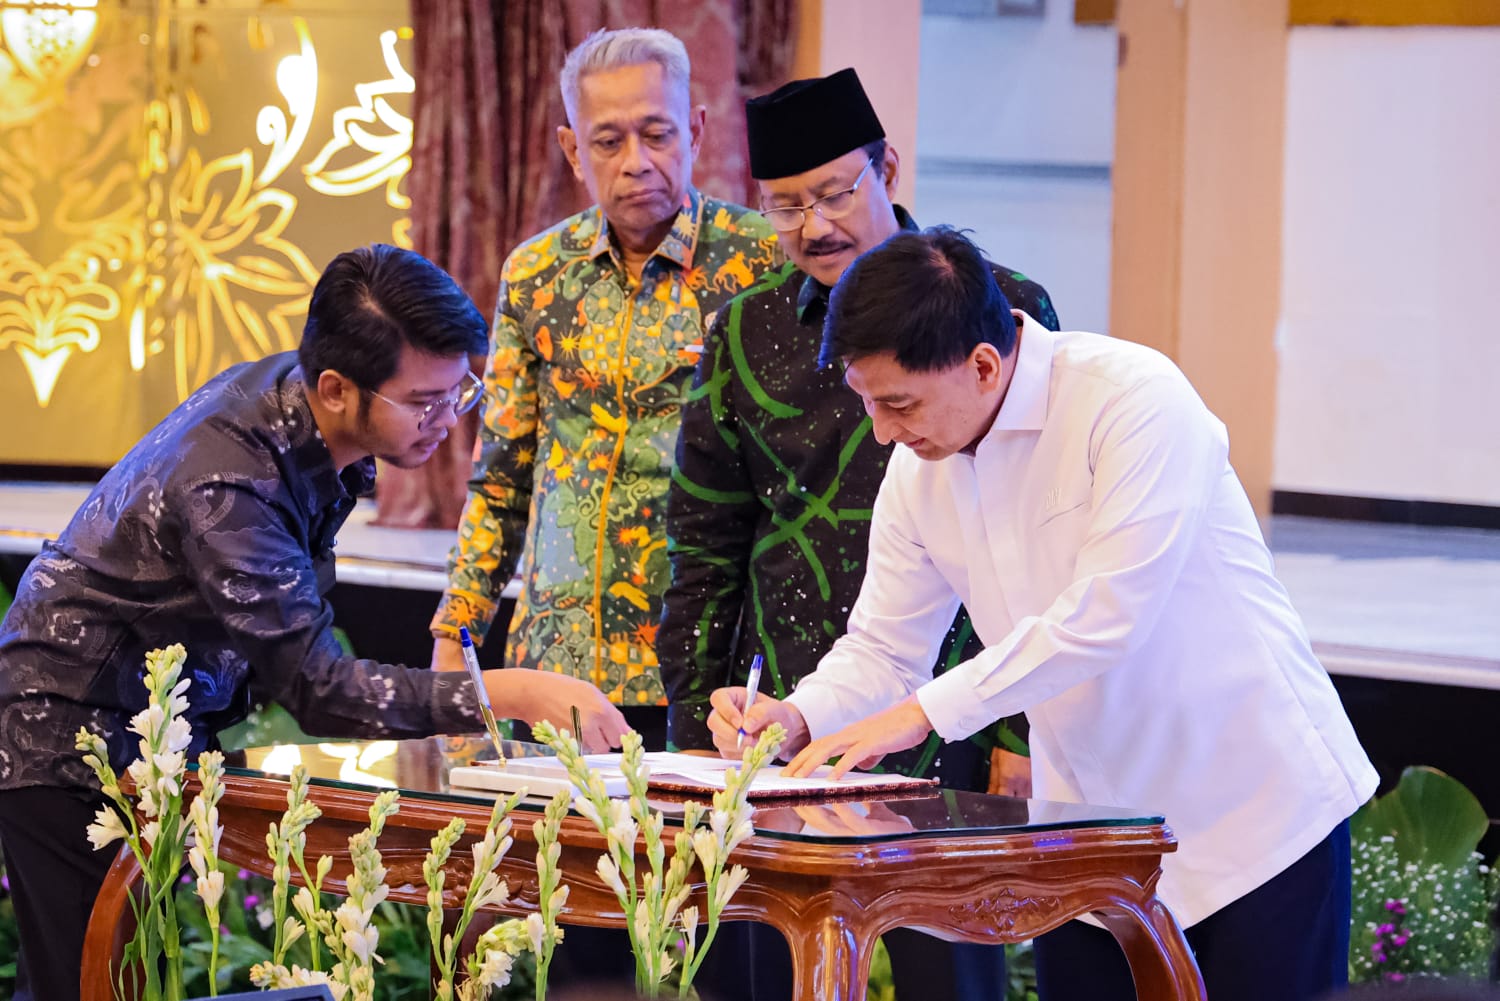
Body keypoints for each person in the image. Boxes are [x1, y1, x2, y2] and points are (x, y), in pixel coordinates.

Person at [714, 227, 1379, 1001]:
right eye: (868, 403)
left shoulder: (1132, 398)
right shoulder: (918, 469)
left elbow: (1106, 617)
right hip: (1095, 834)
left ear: (983, 364)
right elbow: (885, 649)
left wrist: (921, 714)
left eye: (898, 403)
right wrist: (798, 717)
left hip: (1253, 818)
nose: (883, 430)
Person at [0, 244, 629, 1001]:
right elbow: (318, 688)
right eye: (424, 402)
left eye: (457, 393)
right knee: (91, 984)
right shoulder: (233, 478)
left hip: (148, 726)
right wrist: (514, 691)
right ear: (335, 388)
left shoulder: (299, 412)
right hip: (65, 730)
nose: (446, 422)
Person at [656, 68, 1056, 1000]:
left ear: (889, 169)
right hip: (793, 712)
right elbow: (705, 540)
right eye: (785, 206)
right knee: (765, 963)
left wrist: (1020, 728)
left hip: (955, 699)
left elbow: (1043, 549)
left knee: (949, 969)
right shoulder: (744, 331)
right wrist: (692, 724)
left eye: (836, 192)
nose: (814, 225)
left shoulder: (995, 303)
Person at [428, 27, 777, 750]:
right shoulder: (535, 273)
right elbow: (501, 476)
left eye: (657, 134)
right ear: (571, 149)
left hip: (706, 670)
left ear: (696, 130)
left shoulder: (761, 265)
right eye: (609, 141)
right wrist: (453, 639)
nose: (636, 162)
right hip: (555, 668)